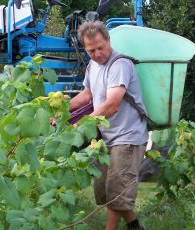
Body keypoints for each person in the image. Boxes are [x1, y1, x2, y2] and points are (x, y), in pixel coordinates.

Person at [70, 21, 148, 230]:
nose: (97, 53)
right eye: (91, 50)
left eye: (100, 47)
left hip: (128, 136)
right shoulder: (93, 65)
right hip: (107, 138)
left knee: (116, 192)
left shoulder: (120, 64)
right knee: (105, 190)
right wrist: (62, 110)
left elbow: (112, 104)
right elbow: (87, 95)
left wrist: (83, 123)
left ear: (108, 41)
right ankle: (134, 225)